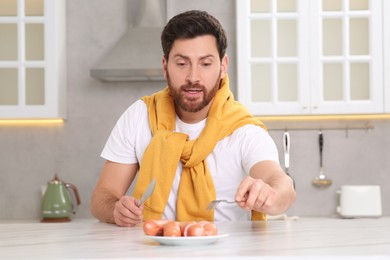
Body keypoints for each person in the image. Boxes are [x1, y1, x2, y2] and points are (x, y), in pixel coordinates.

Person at [90, 10, 296, 227]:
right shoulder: (140, 115)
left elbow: (282, 184)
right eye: (182, 63)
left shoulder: (243, 128)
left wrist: (269, 195)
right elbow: (102, 196)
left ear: (223, 66)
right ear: (165, 66)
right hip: (153, 248)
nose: (193, 77)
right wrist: (116, 209)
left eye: (205, 64)